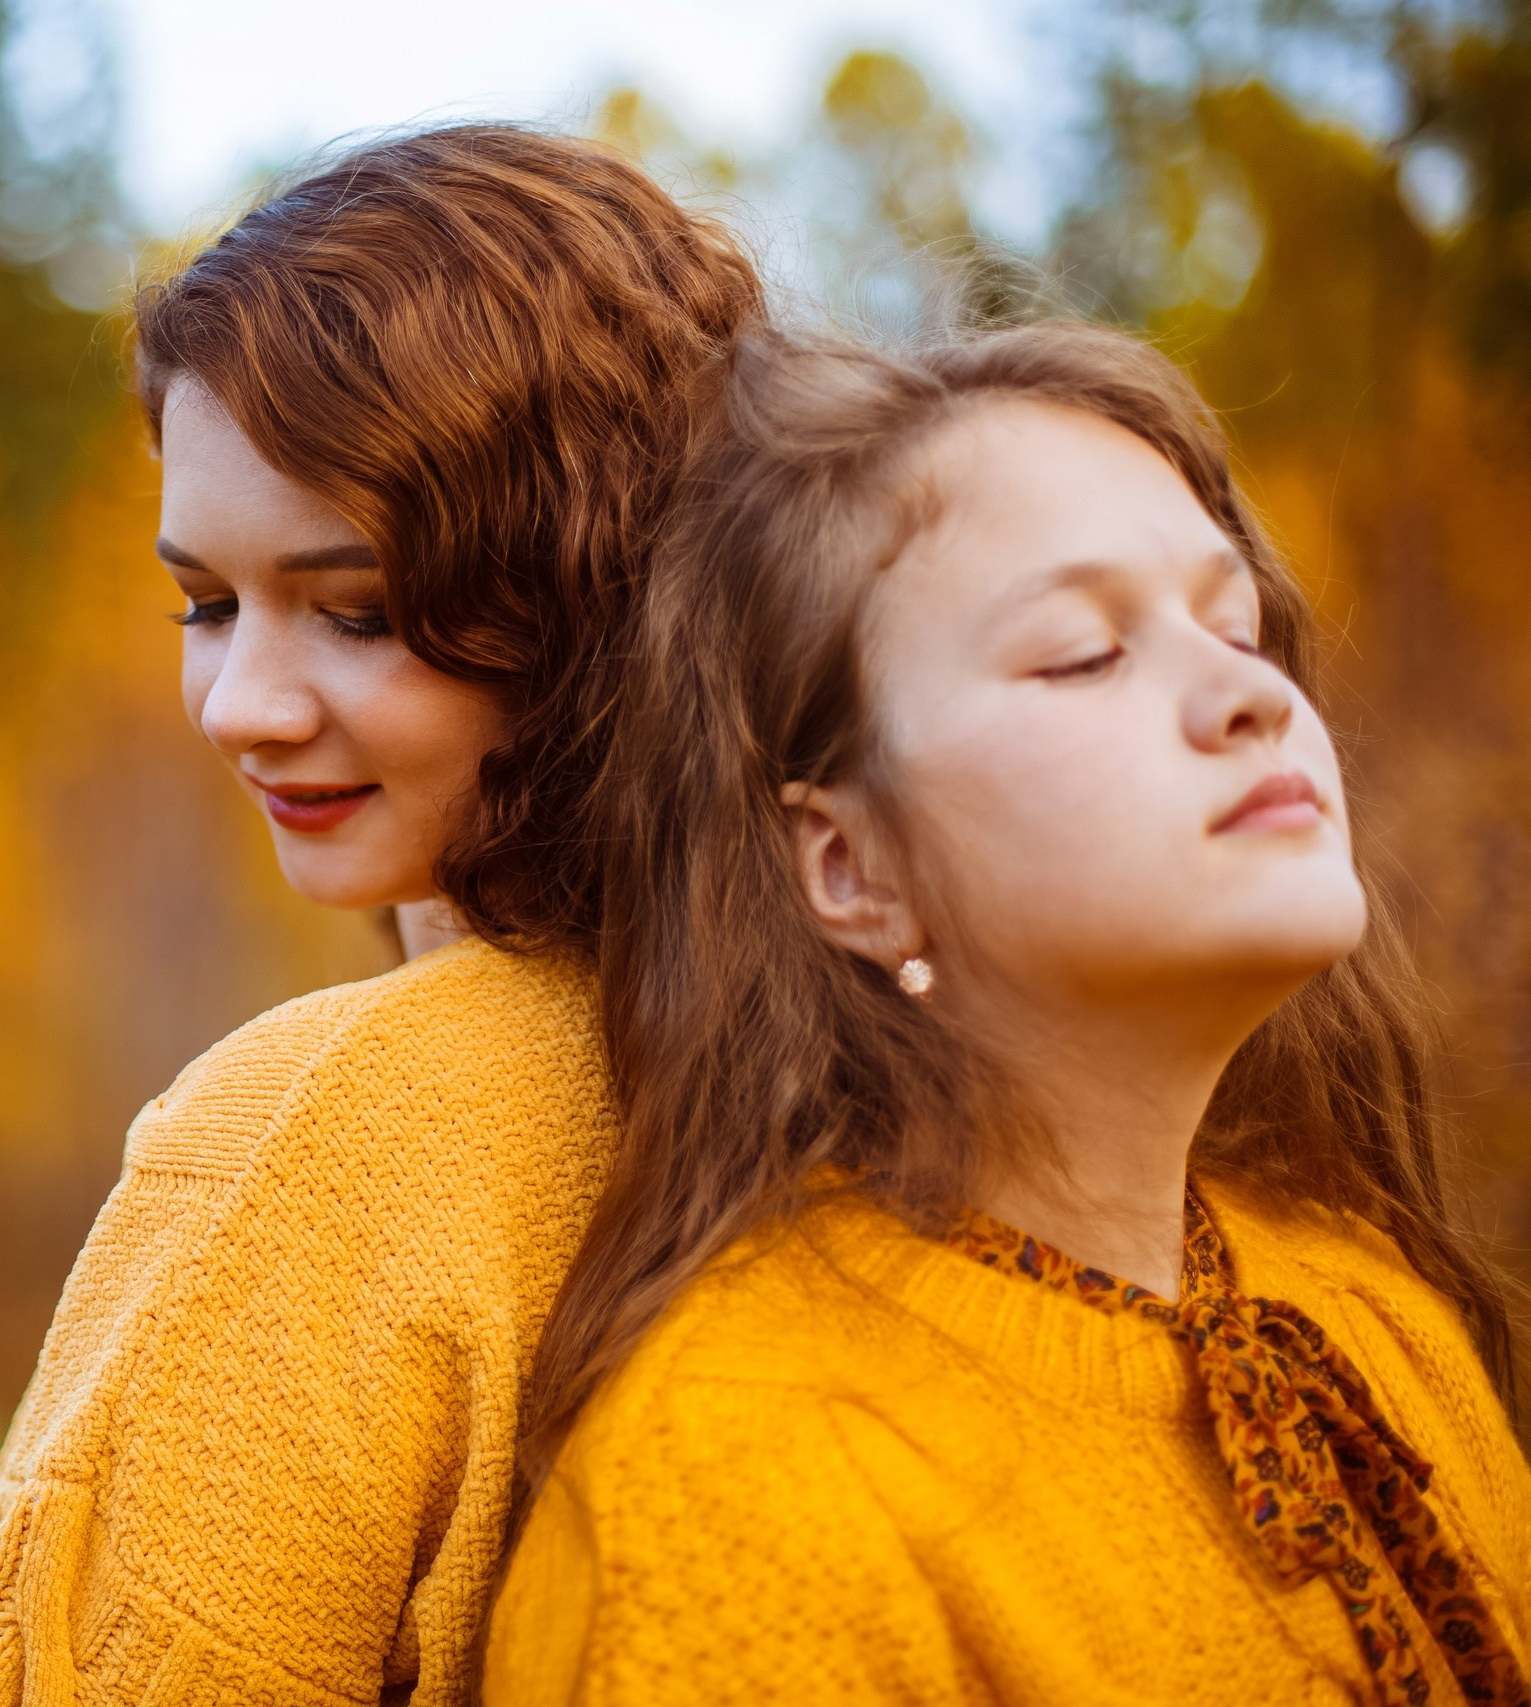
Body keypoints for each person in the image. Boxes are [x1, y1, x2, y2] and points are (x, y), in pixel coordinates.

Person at [484, 323, 1531, 1705]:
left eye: (1239, 629)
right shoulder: (739, 1504)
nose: (1251, 695)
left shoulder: (1362, 1303)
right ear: (850, 866)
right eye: (1085, 655)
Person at [0, 127, 761, 1706]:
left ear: (603, 595)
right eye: (205, 602)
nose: (242, 704)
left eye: (359, 612)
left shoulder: (334, 1134)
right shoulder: (828, 1059)